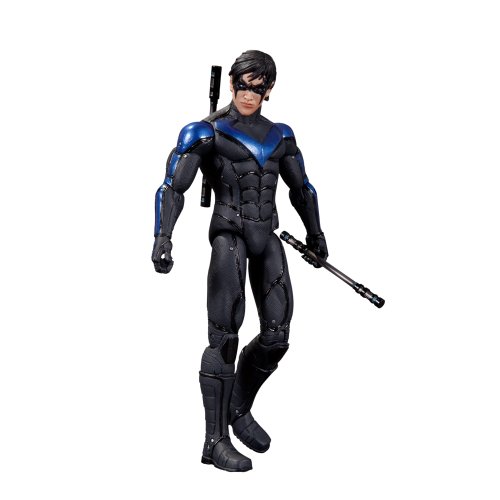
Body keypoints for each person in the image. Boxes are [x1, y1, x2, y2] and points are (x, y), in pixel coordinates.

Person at [152, 50, 328, 472]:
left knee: (277, 336)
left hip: (268, 238)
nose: (249, 95)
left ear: (269, 90)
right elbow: (172, 187)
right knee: (224, 338)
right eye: (243, 85)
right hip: (229, 237)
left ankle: (237, 407)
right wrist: (163, 237)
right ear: (231, 83)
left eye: (258, 88)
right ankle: (214, 441)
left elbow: (301, 188)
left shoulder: (280, 135)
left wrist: (316, 234)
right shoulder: (205, 132)